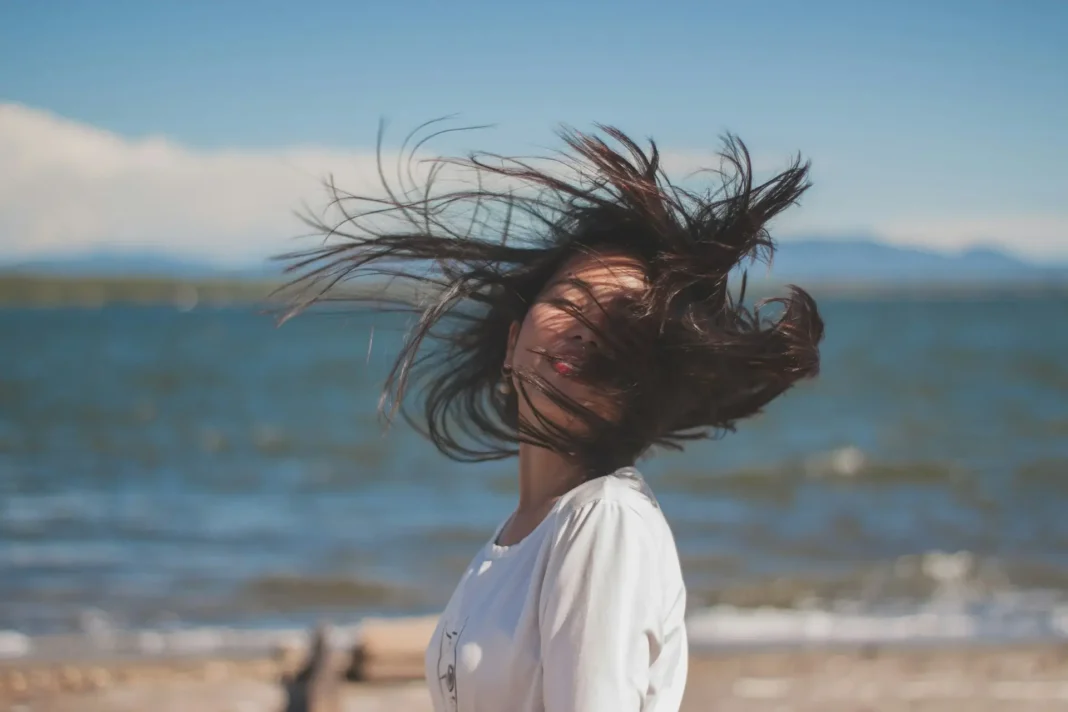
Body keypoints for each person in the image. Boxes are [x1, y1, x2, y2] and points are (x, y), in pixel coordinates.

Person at [278, 122, 824, 712]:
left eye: (618, 325)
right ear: (512, 345)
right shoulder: (522, 533)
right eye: (567, 302)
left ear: (640, 379)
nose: (585, 329)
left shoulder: (603, 522)